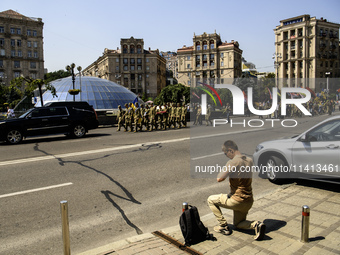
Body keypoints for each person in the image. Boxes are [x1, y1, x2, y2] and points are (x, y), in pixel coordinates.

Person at [207, 140, 266, 241]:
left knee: (211, 200)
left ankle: (223, 226)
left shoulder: (233, 162)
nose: (226, 156)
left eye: (226, 154)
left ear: (230, 150)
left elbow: (219, 179)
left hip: (237, 200)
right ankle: (256, 225)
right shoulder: (249, 160)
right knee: (238, 224)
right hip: (248, 201)